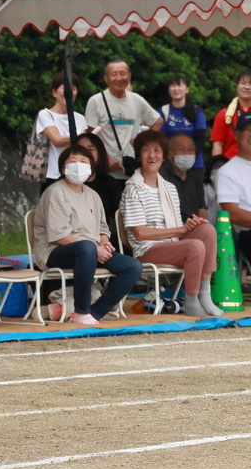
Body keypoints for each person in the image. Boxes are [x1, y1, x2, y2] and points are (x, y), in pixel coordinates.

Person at [33, 144, 142, 324]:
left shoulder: (93, 195)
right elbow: (59, 235)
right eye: (73, 161)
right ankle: (81, 310)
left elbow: (103, 228)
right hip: (56, 252)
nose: (78, 165)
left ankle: (95, 312)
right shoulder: (56, 192)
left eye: (84, 161)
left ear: (91, 168)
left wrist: (104, 243)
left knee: (132, 266)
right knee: (86, 248)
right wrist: (94, 248)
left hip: (90, 251)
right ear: (63, 168)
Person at [120, 130, 223, 318]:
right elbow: (140, 233)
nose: (152, 155)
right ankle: (191, 301)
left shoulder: (169, 187)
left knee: (207, 230)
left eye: (157, 150)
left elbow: (175, 226)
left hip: (170, 243)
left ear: (164, 156)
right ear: (139, 156)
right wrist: (180, 230)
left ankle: (205, 294)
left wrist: (191, 226)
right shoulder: (133, 188)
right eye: (146, 150)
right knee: (194, 246)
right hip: (147, 249)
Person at [84, 59, 163, 180]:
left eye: (122, 73)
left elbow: (158, 121)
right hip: (105, 171)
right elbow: (89, 137)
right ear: (106, 78)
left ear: (129, 76)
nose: (119, 78)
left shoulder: (137, 100)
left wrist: (143, 140)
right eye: (114, 74)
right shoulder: (96, 101)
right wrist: (105, 159)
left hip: (132, 170)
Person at [35, 72, 87, 191]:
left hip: (77, 175)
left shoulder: (80, 118)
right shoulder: (45, 115)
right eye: (65, 89)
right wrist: (82, 137)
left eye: (73, 89)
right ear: (54, 92)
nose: (69, 92)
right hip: (53, 176)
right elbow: (57, 140)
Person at [74, 133, 124, 244]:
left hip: (103, 241)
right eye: (80, 149)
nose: (85, 153)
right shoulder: (63, 185)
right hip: (74, 243)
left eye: (90, 149)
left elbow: (120, 216)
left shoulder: (109, 183)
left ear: (100, 154)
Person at [216, 111, 251, 263]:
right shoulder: (227, 171)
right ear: (236, 135)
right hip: (246, 233)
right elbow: (232, 213)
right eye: (248, 130)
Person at [158, 75, 206, 179]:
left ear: (187, 89)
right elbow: (161, 139)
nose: (176, 89)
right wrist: (173, 158)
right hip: (169, 166)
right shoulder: (163, 111)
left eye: (179, 85)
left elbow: (200, 138)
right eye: (173, 85)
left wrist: (188, 157)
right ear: (168, 90)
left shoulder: (196, 111)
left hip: (194, 165)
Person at [159, 134, 209, 221]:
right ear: (169, 155)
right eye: (181, 149)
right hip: (170, 225)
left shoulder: (196, 179)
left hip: (194, 225)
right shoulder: (160, 176)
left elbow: (201, 209)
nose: (187, 154)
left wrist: (203, 223)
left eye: (191, 150)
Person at [210, 69, 251, 160]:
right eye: (243, 83)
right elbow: (218, 144)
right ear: (237, 86)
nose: (247, 87)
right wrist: (217, 166)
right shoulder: (224, 115)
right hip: (230, 165)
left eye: (250, 84)